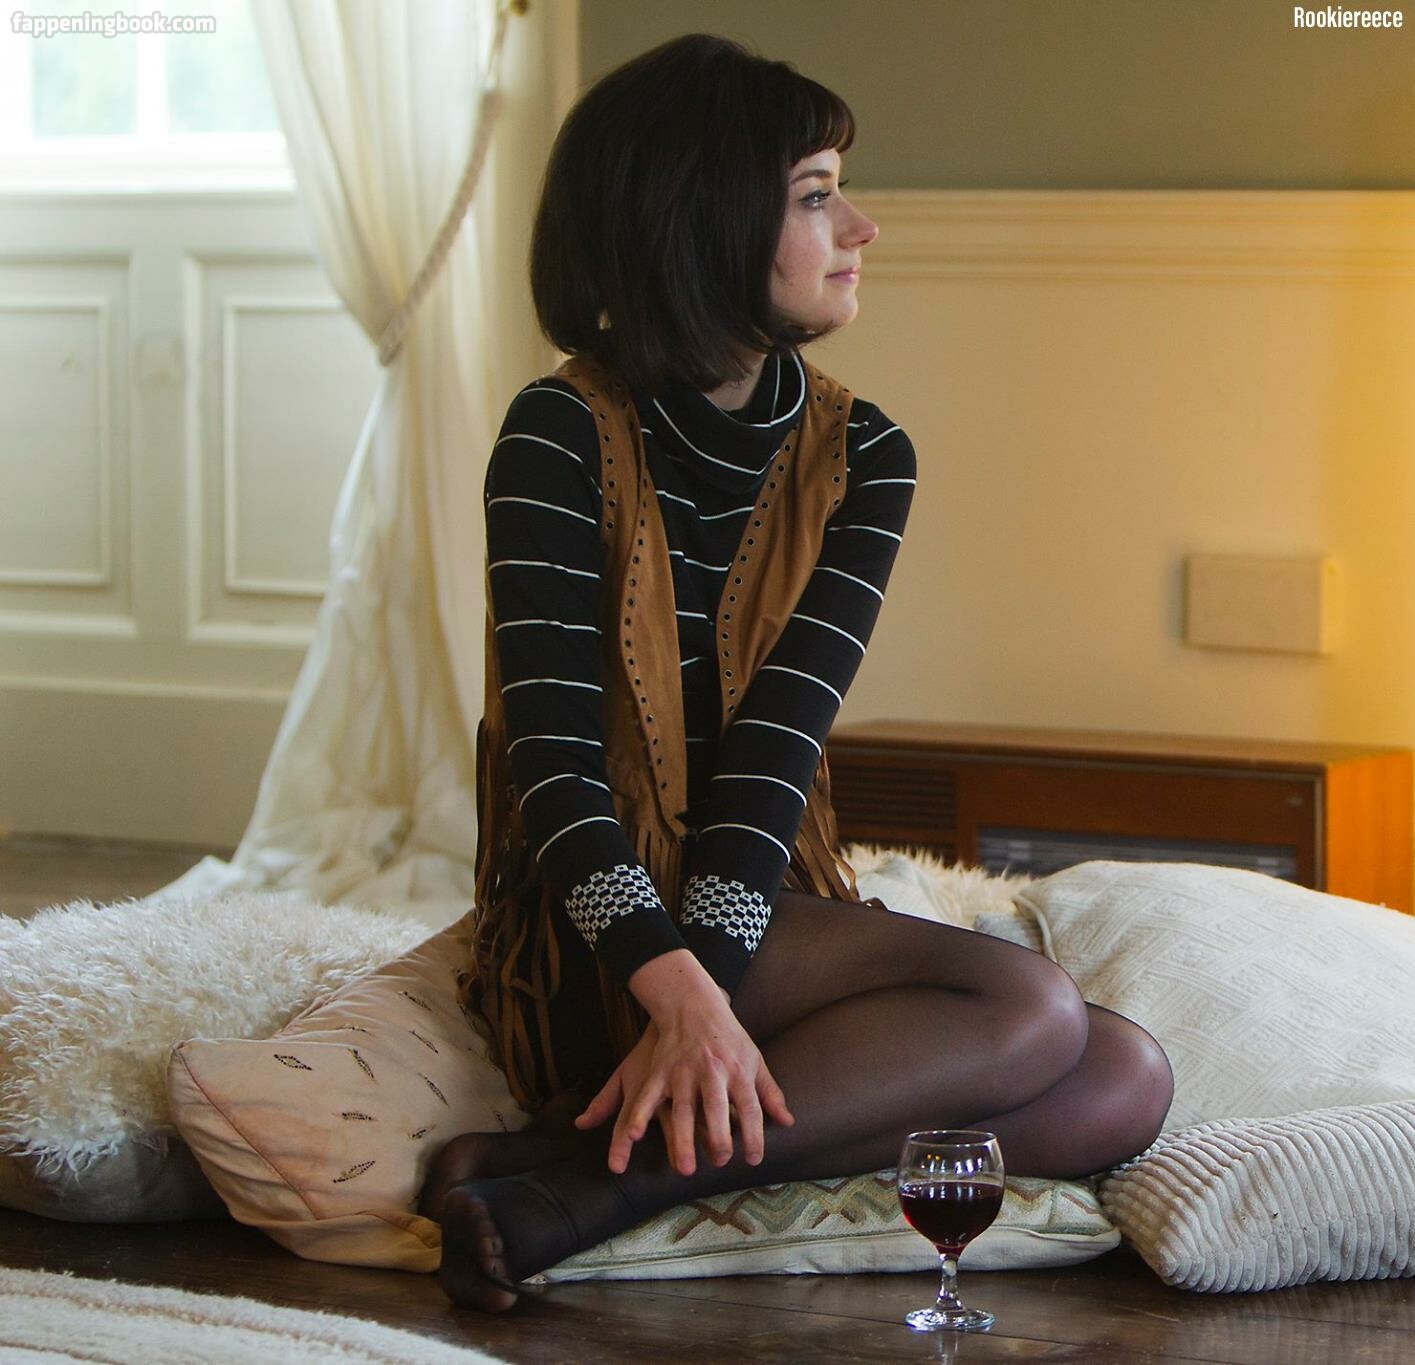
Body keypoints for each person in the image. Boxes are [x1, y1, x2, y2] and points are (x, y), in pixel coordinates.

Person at [425, 33, 1175, 1313]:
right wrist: (677, 992)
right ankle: (575, 1193)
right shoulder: (557, 432)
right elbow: (551, 770)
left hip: (757, 908)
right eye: (818, 196)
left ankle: (563, 1172)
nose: (862, 228)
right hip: (602, 938)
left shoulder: (863, 454)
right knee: (1036, 1016)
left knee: (1125, 1081)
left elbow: (775, 753)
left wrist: (713, 999)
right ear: (703, 221)